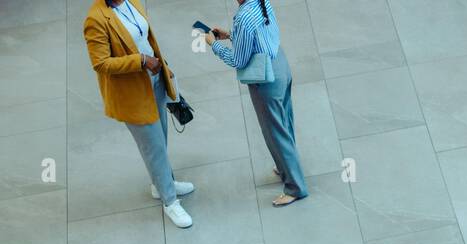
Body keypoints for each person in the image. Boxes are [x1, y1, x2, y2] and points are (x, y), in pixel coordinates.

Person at [83, 0, 194, 228]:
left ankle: (162, 183)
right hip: (133, 92)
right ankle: (170, 201)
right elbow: (101, 63)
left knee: (160, 139)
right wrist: (141, 61)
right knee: (153, 147)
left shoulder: (132, 2)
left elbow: (147, 40)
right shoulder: (95, 19)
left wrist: (161, 65)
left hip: (156, 81)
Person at [205, 0, 307, 206]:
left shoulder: (243, 17)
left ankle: (295, 188)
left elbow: (239, 61)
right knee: (284, 121)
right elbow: (258, 37)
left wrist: (214, 44)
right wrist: (232, 35)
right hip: (280, 66)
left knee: (275, 132)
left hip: (265, 78)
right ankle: (286, 166)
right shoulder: (262, 2)